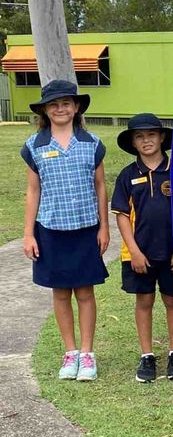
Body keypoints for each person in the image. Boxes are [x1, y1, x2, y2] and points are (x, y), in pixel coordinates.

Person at [20, 80, 110, 381]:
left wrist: (104, 227)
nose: (61, 108)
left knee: (85, 291)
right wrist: (29, 233)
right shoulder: (35, 146)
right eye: (54, 104)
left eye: (67, 103)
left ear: (76, 107)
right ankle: (70, 352)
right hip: (51, 229)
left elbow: (100, 186)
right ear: (45, 110)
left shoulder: (92, 143)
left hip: (86, 229)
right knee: (60, 293)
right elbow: (33, 192)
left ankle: (87, 355)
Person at [111, 113, 173, 383]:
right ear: (132, 142)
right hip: (140, 254)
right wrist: (134, 251)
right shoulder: (127, 176)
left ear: (162, 137)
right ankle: (147, 355)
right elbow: (121, 215)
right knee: (144, 301)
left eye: (151, 135)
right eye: (140, 136)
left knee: (171, 300)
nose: (146, 140)